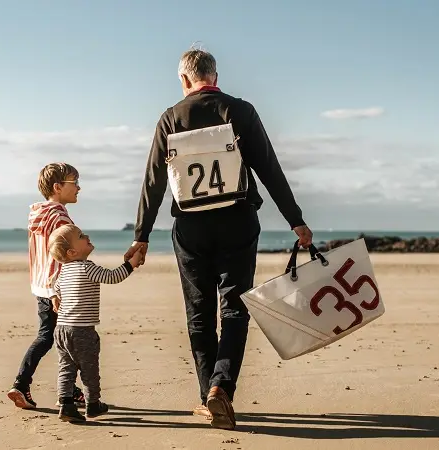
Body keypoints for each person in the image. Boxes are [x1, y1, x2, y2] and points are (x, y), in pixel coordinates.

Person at [124, 47, 313, 430]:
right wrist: (296, 220)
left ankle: (207, 395)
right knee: (234, 308)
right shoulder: (240, 110)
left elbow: (153, 182)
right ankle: (221, 388)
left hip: (191, 229)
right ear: (214, 74)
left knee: (199, 315)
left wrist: (141, 235)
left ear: (184, 80)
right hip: (237, 223)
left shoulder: (170, 118)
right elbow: (269, 169)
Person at [7, 163, 86, 410]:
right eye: (74, 183)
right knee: (59, 339)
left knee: (55, 338)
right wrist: (57, 291)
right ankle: (22, 384)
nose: (79, 188)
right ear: (57, 187)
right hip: (56, 289)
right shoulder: (60, 216)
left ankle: (70, 390)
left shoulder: (37, 215)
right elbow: (60, 256)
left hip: (40, 286)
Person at [48, 224, 144, 422]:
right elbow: (113, 277)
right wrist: (131, 264)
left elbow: (55, 288)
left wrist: (54, 298)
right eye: (81, 236)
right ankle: (93, 404)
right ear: (72, 251)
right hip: (82, 331)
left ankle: (66, 403)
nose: (87, 235)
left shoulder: (64, 271)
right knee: (89, 368)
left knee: (66, 367)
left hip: (61, 330)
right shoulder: (87, 267)